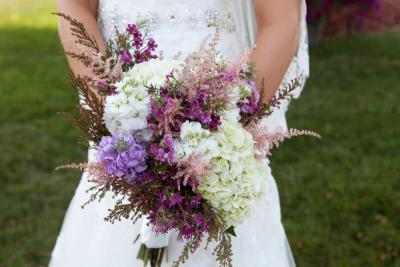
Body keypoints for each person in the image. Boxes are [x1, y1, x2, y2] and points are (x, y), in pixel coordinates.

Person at [49, 0, 309, 266]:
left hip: (217, 139)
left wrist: (219, 131)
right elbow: (75, 6)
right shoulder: (121, 118)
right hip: (122, 131)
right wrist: (120, 113)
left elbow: (281, 22)